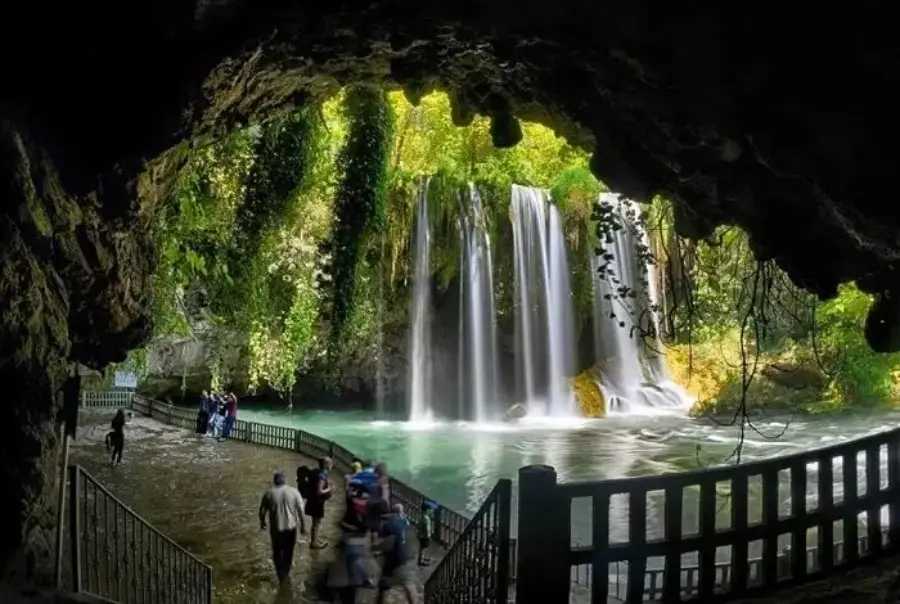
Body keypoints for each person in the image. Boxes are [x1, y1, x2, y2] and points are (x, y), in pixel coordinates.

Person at [259, 470, 307, 585]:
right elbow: (301, 511)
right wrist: (303, 526)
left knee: (276, 552)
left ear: (274, 480)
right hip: (290, 529)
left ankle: (280, 575)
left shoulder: (269, 493)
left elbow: (262, 511)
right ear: (285, 480)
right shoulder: (294, 492)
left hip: (276, 529)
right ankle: (286, 574)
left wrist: (262, 522)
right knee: (288, 552)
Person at [375, 503, 417, 604]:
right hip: (406, 557)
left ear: (392, 512)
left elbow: (385, 542)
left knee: (383, 585)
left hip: (392, 560)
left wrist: (378, 552)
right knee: (409, 584)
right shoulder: (405, 522)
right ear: (401, 512)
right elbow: (405, 526)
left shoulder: (387, 525)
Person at [306, 457, 334, 549]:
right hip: (317, 503)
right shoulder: (322, 476)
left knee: (315, 522)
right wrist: (329, 489)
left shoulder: (314, 471)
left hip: (312, 500)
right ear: (326, 465)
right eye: (330, 464)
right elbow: (319, 491)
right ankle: (314, 542)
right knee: (316, 523)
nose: (332, 465)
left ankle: (315, 539)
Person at [417, 501, 435, 566]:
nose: (431, 511)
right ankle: (421, 561)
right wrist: (428, 536)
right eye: (430, 510)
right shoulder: (426, 518)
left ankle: (421, 558)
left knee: (422, 547)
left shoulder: (422, 516)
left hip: (420, 535)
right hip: (425, 536)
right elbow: (427, 528)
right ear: (427, 510)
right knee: (423, 548)